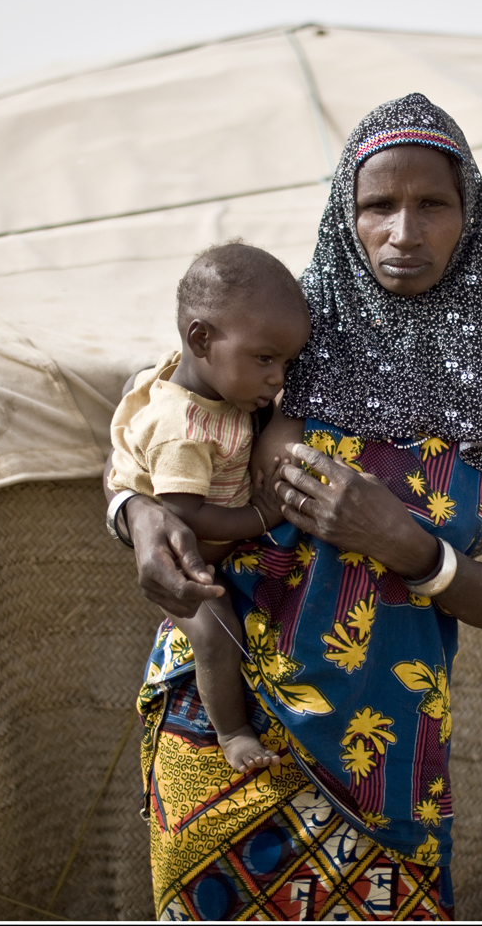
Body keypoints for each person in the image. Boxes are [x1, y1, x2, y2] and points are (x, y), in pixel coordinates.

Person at [105, 93, 482, 921]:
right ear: (343, 213)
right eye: (377, 205)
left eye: (432, 204)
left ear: (471, 214)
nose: (404, 232)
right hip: (222, 727)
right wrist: (135, 518)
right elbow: (154, 432)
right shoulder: (281, 327)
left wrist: (410, 548)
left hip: (382, 753)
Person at [108, 242, 310, 773]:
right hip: (188, 568)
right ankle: (232, 733)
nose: (278, 378)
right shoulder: (182, 429)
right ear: (201, 339)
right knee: (217, 634)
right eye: (265, 359)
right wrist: (263, 517)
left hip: (224, 554)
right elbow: (185, 515)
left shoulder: (222, 391)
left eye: (286, 363)